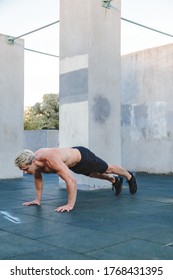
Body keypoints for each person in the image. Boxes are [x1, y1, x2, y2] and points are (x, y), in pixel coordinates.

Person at [14, 146, 137, 212]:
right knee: (92, 174)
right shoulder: (36, 165)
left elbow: (71, 181)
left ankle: (129, 176)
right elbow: (38, 179)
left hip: (83, 156)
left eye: (25, 169)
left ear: (33, 162)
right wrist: (37, 199)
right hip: (74, 164)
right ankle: (115, 181)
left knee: (107, 169)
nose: (25, 172)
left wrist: (70, 205)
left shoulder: (50, 160)